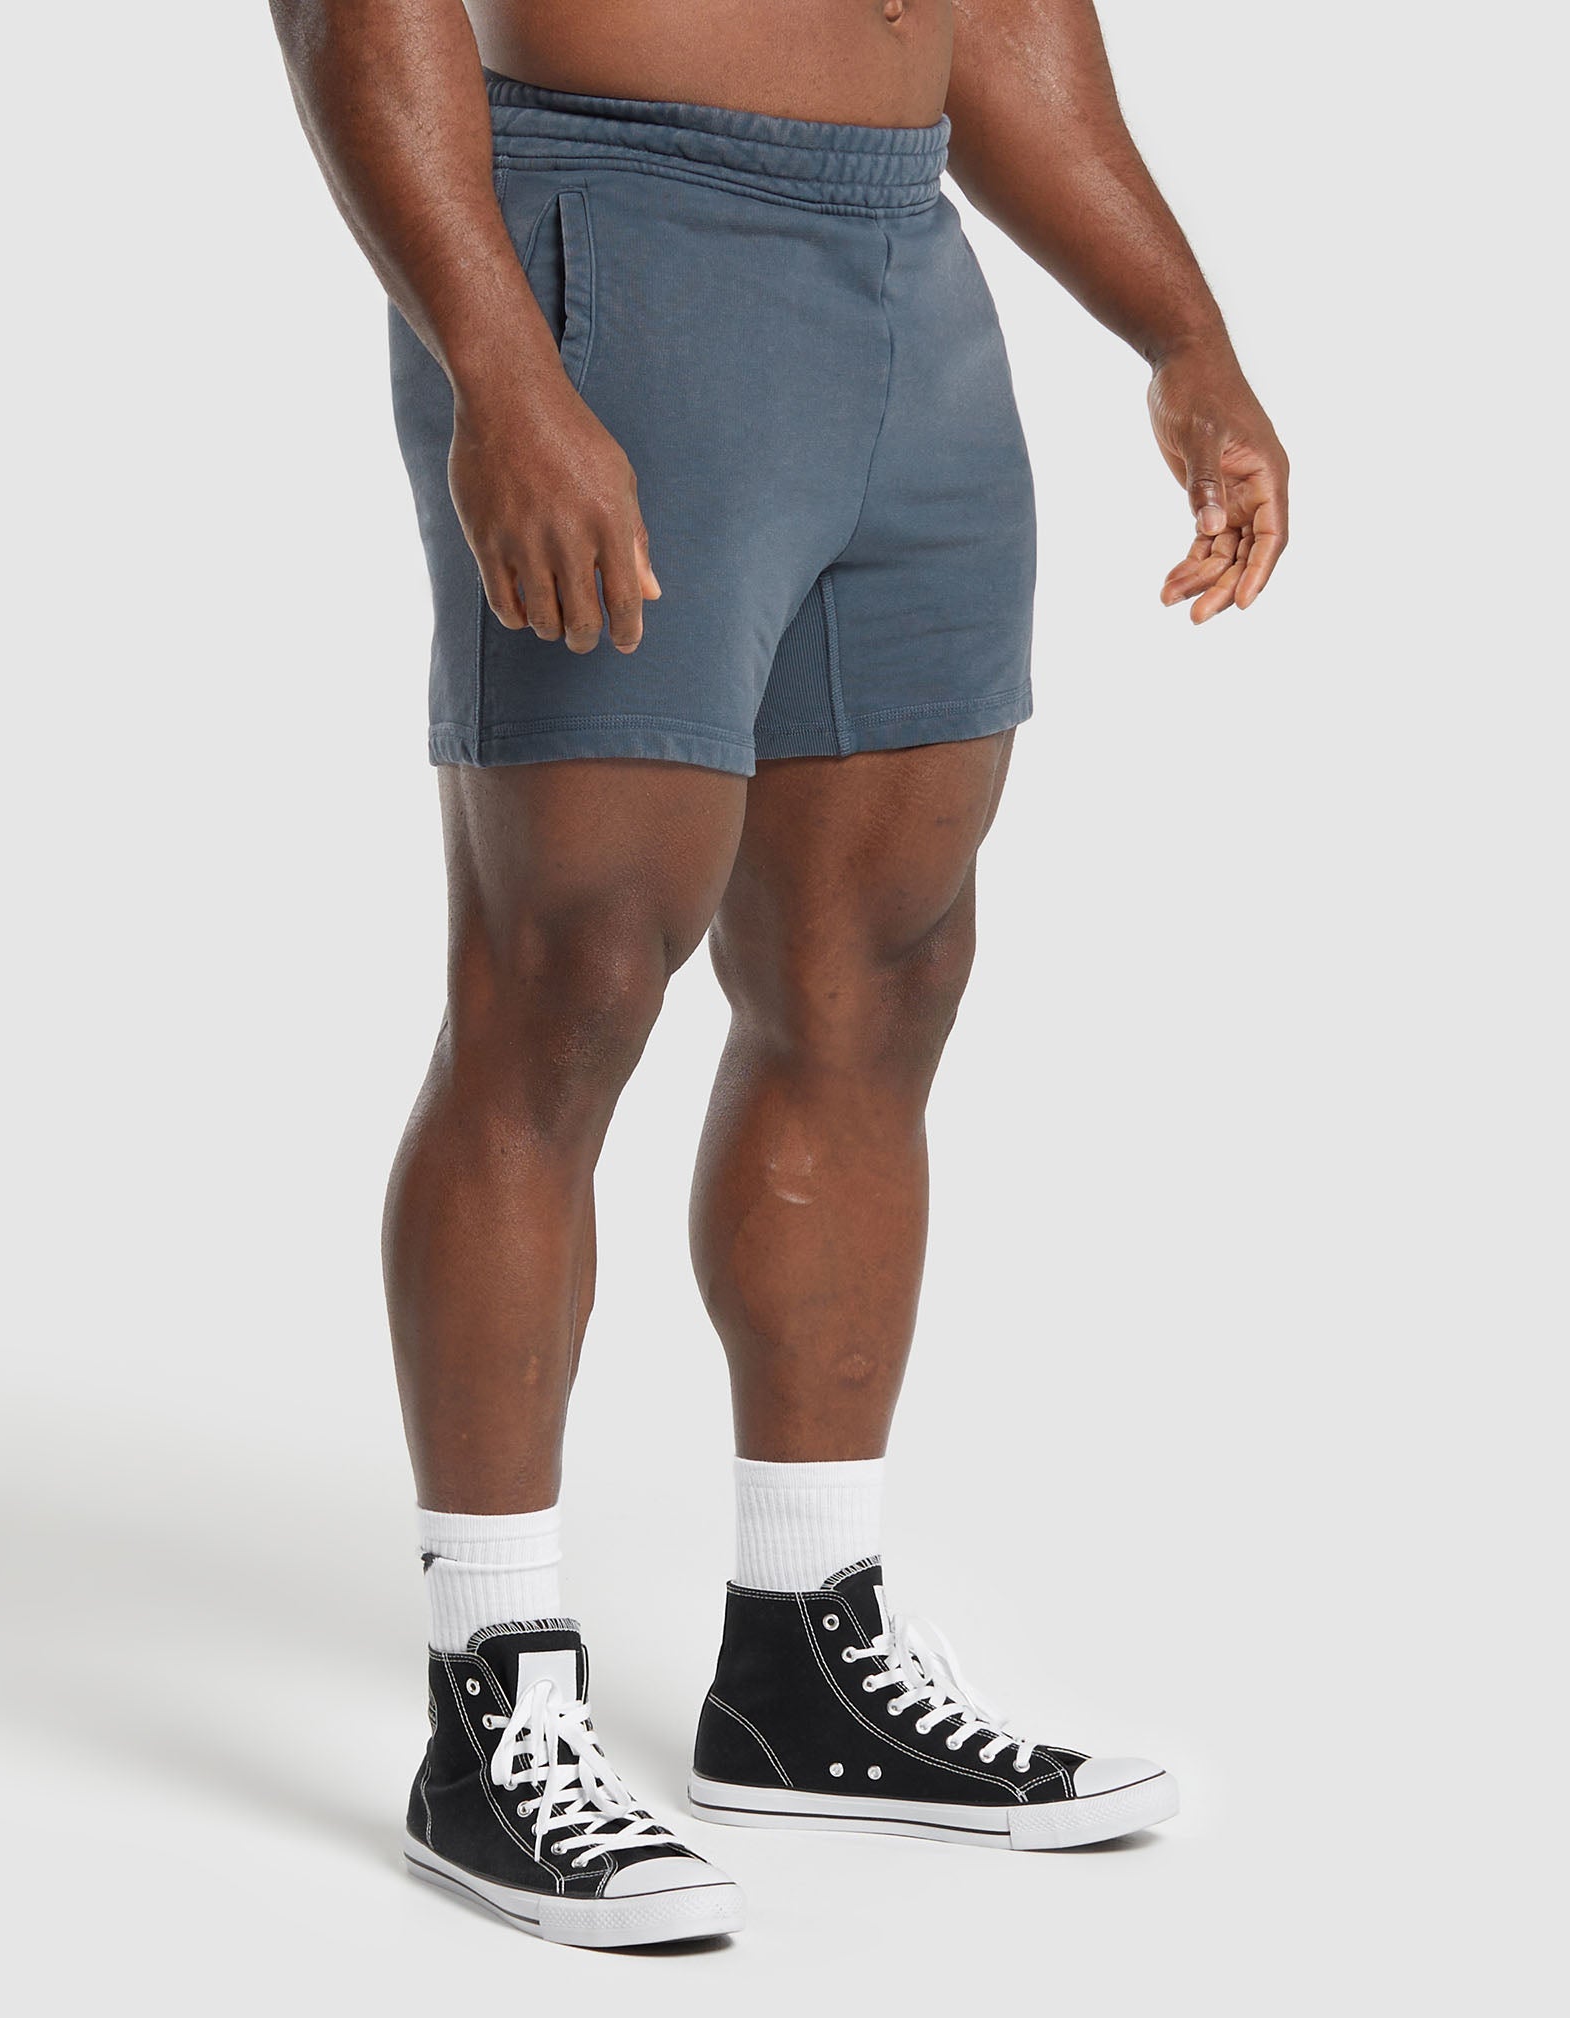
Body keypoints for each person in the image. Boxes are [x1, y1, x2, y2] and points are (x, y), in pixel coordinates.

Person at [269, 0, 1288, 1948]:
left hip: (905, 265)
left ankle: (803, 1653)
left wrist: (1184, 335)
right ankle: (492, 1700)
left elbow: (996, 14)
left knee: (882, 972)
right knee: (568, 978)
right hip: (618, 244)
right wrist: (500, 358)